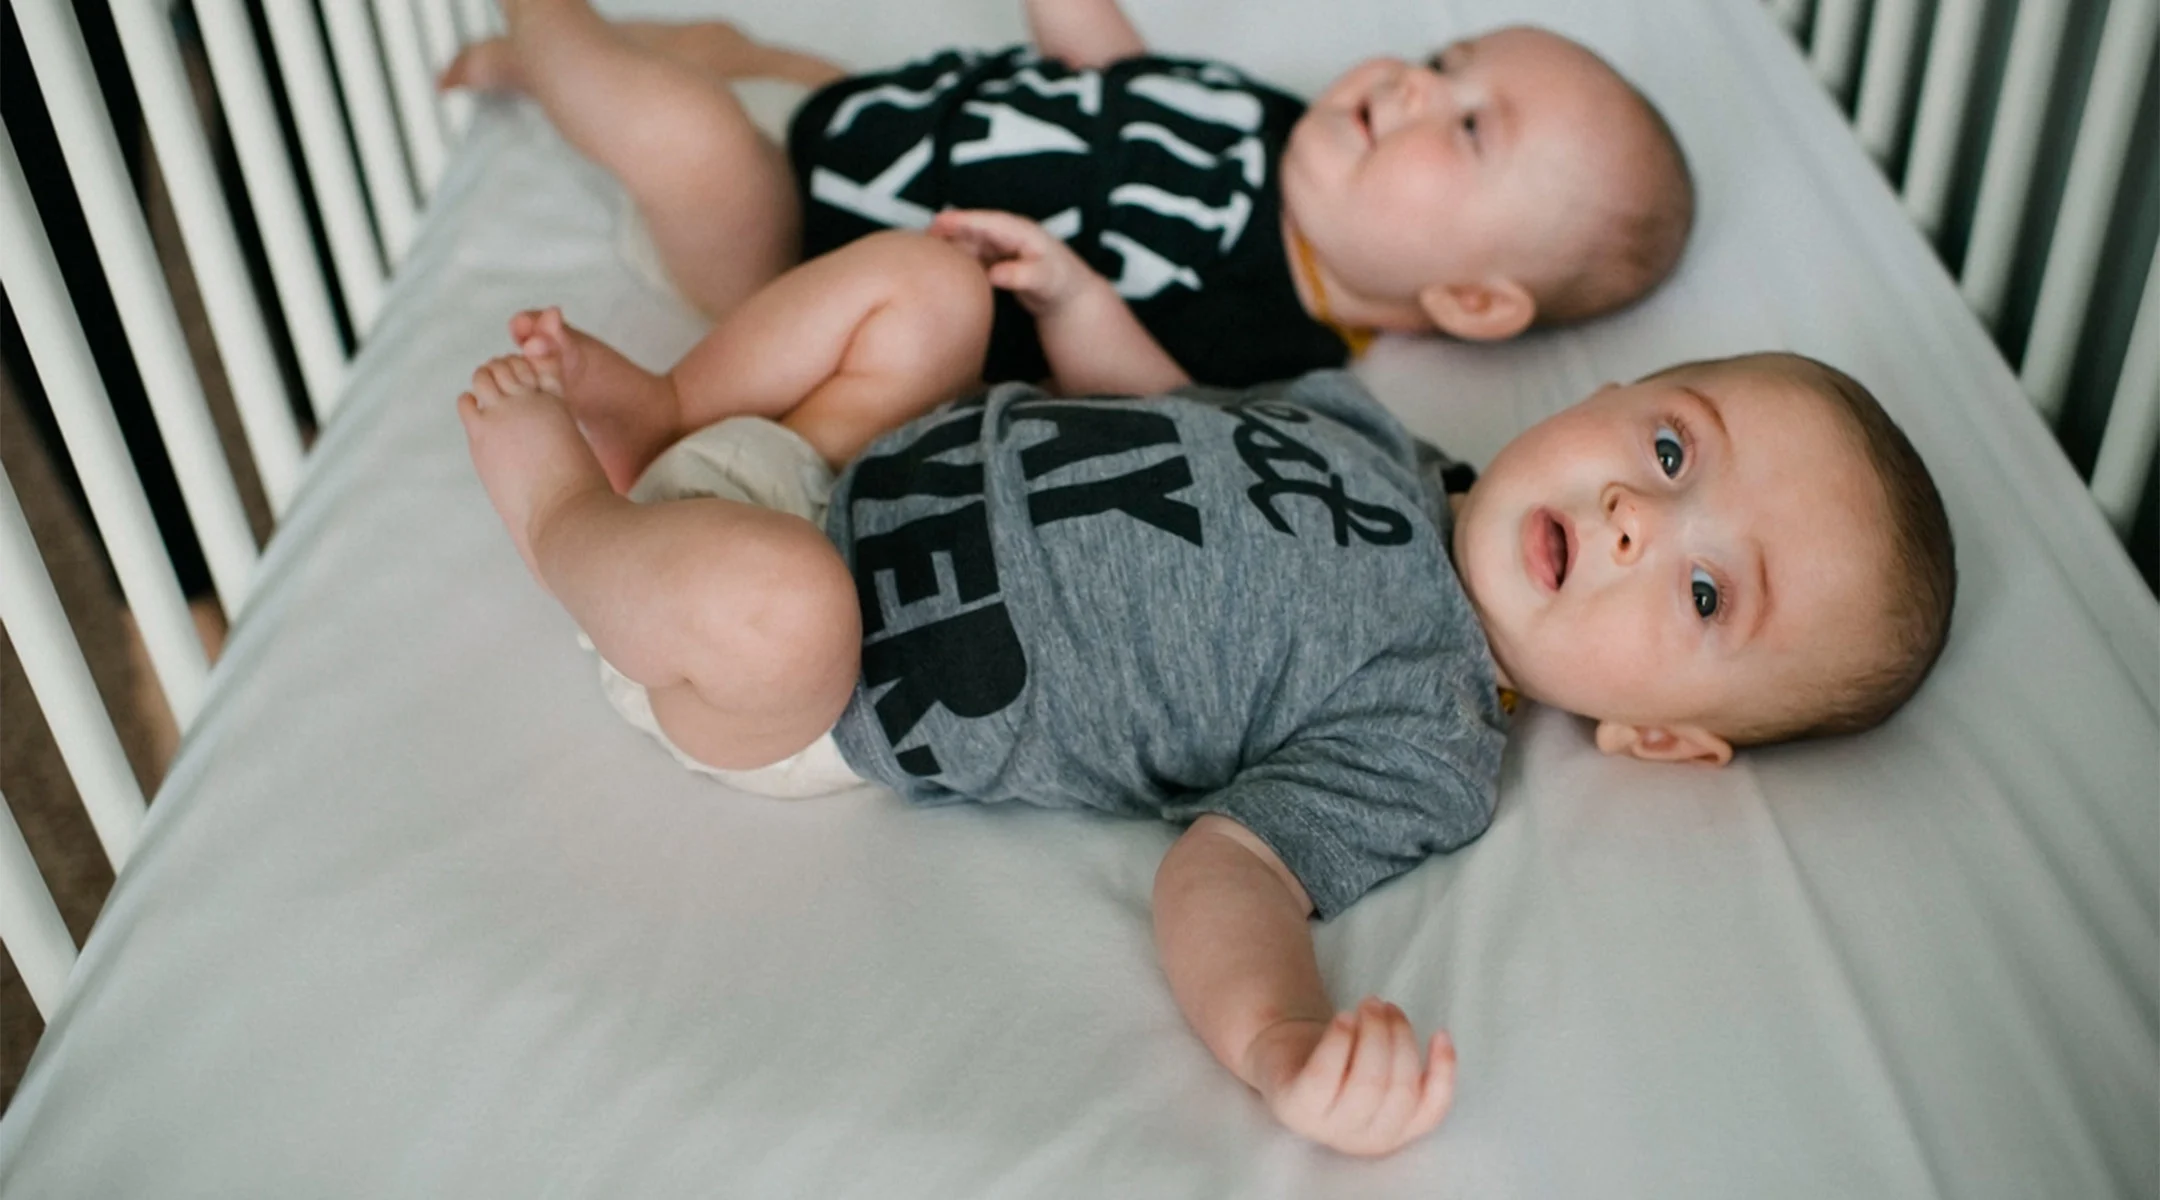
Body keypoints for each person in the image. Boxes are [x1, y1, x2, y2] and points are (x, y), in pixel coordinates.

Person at [454, 232, 1958, 1157]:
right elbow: (1174, 404)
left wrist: (1280, 1040)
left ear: (1660, 738)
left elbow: (1228, 871)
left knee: (787, 608)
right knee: (926, 285)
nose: (1640, 518)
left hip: (800, 677)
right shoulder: (1376, 430)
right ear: (1610, 403)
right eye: (1674, 452)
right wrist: (1082, 305)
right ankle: (669, 409)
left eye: (1704, 593)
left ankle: (566, 523)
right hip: (829, 459)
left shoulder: (1430, 736)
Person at [441, 0, 1695, 390]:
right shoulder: (1278, 122)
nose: (1411, 88)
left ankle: (541, 28)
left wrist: (1076, 296)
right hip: (857, 113)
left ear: (1471, 295)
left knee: (690, 138)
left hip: (789, 259)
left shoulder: (1283, 337)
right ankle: (542, 70)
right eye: (1440, 65)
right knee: (730, 49)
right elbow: (1125, 79)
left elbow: (1148, 398)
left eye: (1468, 128)